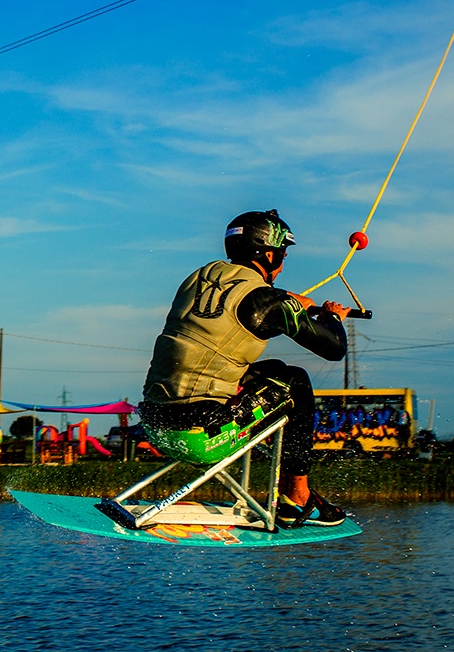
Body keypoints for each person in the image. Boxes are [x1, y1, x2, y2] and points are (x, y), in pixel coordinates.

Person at [140, 209, 350, 528]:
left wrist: (291, 300)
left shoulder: (198, 278)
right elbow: (334, 349)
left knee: (272, 370)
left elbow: (242, 302)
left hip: (154, 425)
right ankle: (297, 497)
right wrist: (332, 316)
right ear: (268, 254)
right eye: (282, 257)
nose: (281, 266)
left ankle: (286, 489)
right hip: (200, 437)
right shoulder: (269, 302)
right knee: (295, 382)